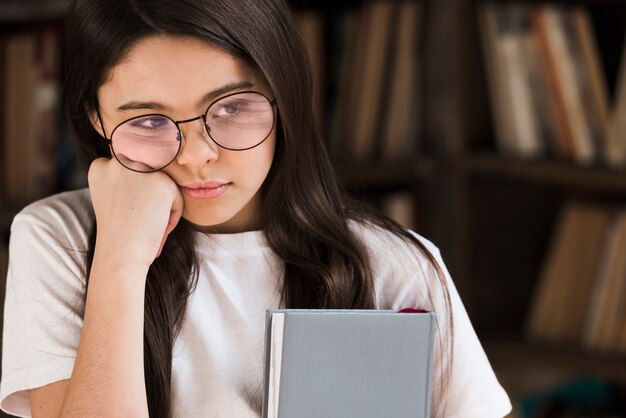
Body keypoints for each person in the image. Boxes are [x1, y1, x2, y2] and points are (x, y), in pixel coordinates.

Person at [0, 0, 512, 416]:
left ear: (283, 97)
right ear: (96, 117)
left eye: (231, 108)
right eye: (150, 121)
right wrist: (119, 259)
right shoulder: (59, 238)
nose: (199, 155)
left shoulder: (393, 263)